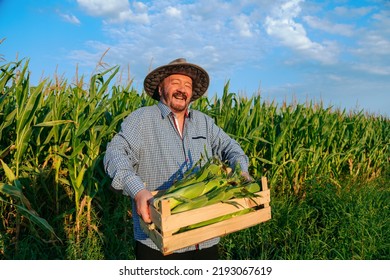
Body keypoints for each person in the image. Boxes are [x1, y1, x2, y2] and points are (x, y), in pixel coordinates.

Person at [104, 58, 252, 260]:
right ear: (160, 88)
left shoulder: (204, 122)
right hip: (158, 240)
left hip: (205, 236)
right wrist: (138, 191)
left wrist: (240, 170)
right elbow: (115, 152)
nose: (182, 89)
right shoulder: (142, 119)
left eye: (187, 85)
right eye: (175, 83)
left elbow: (231, 147)